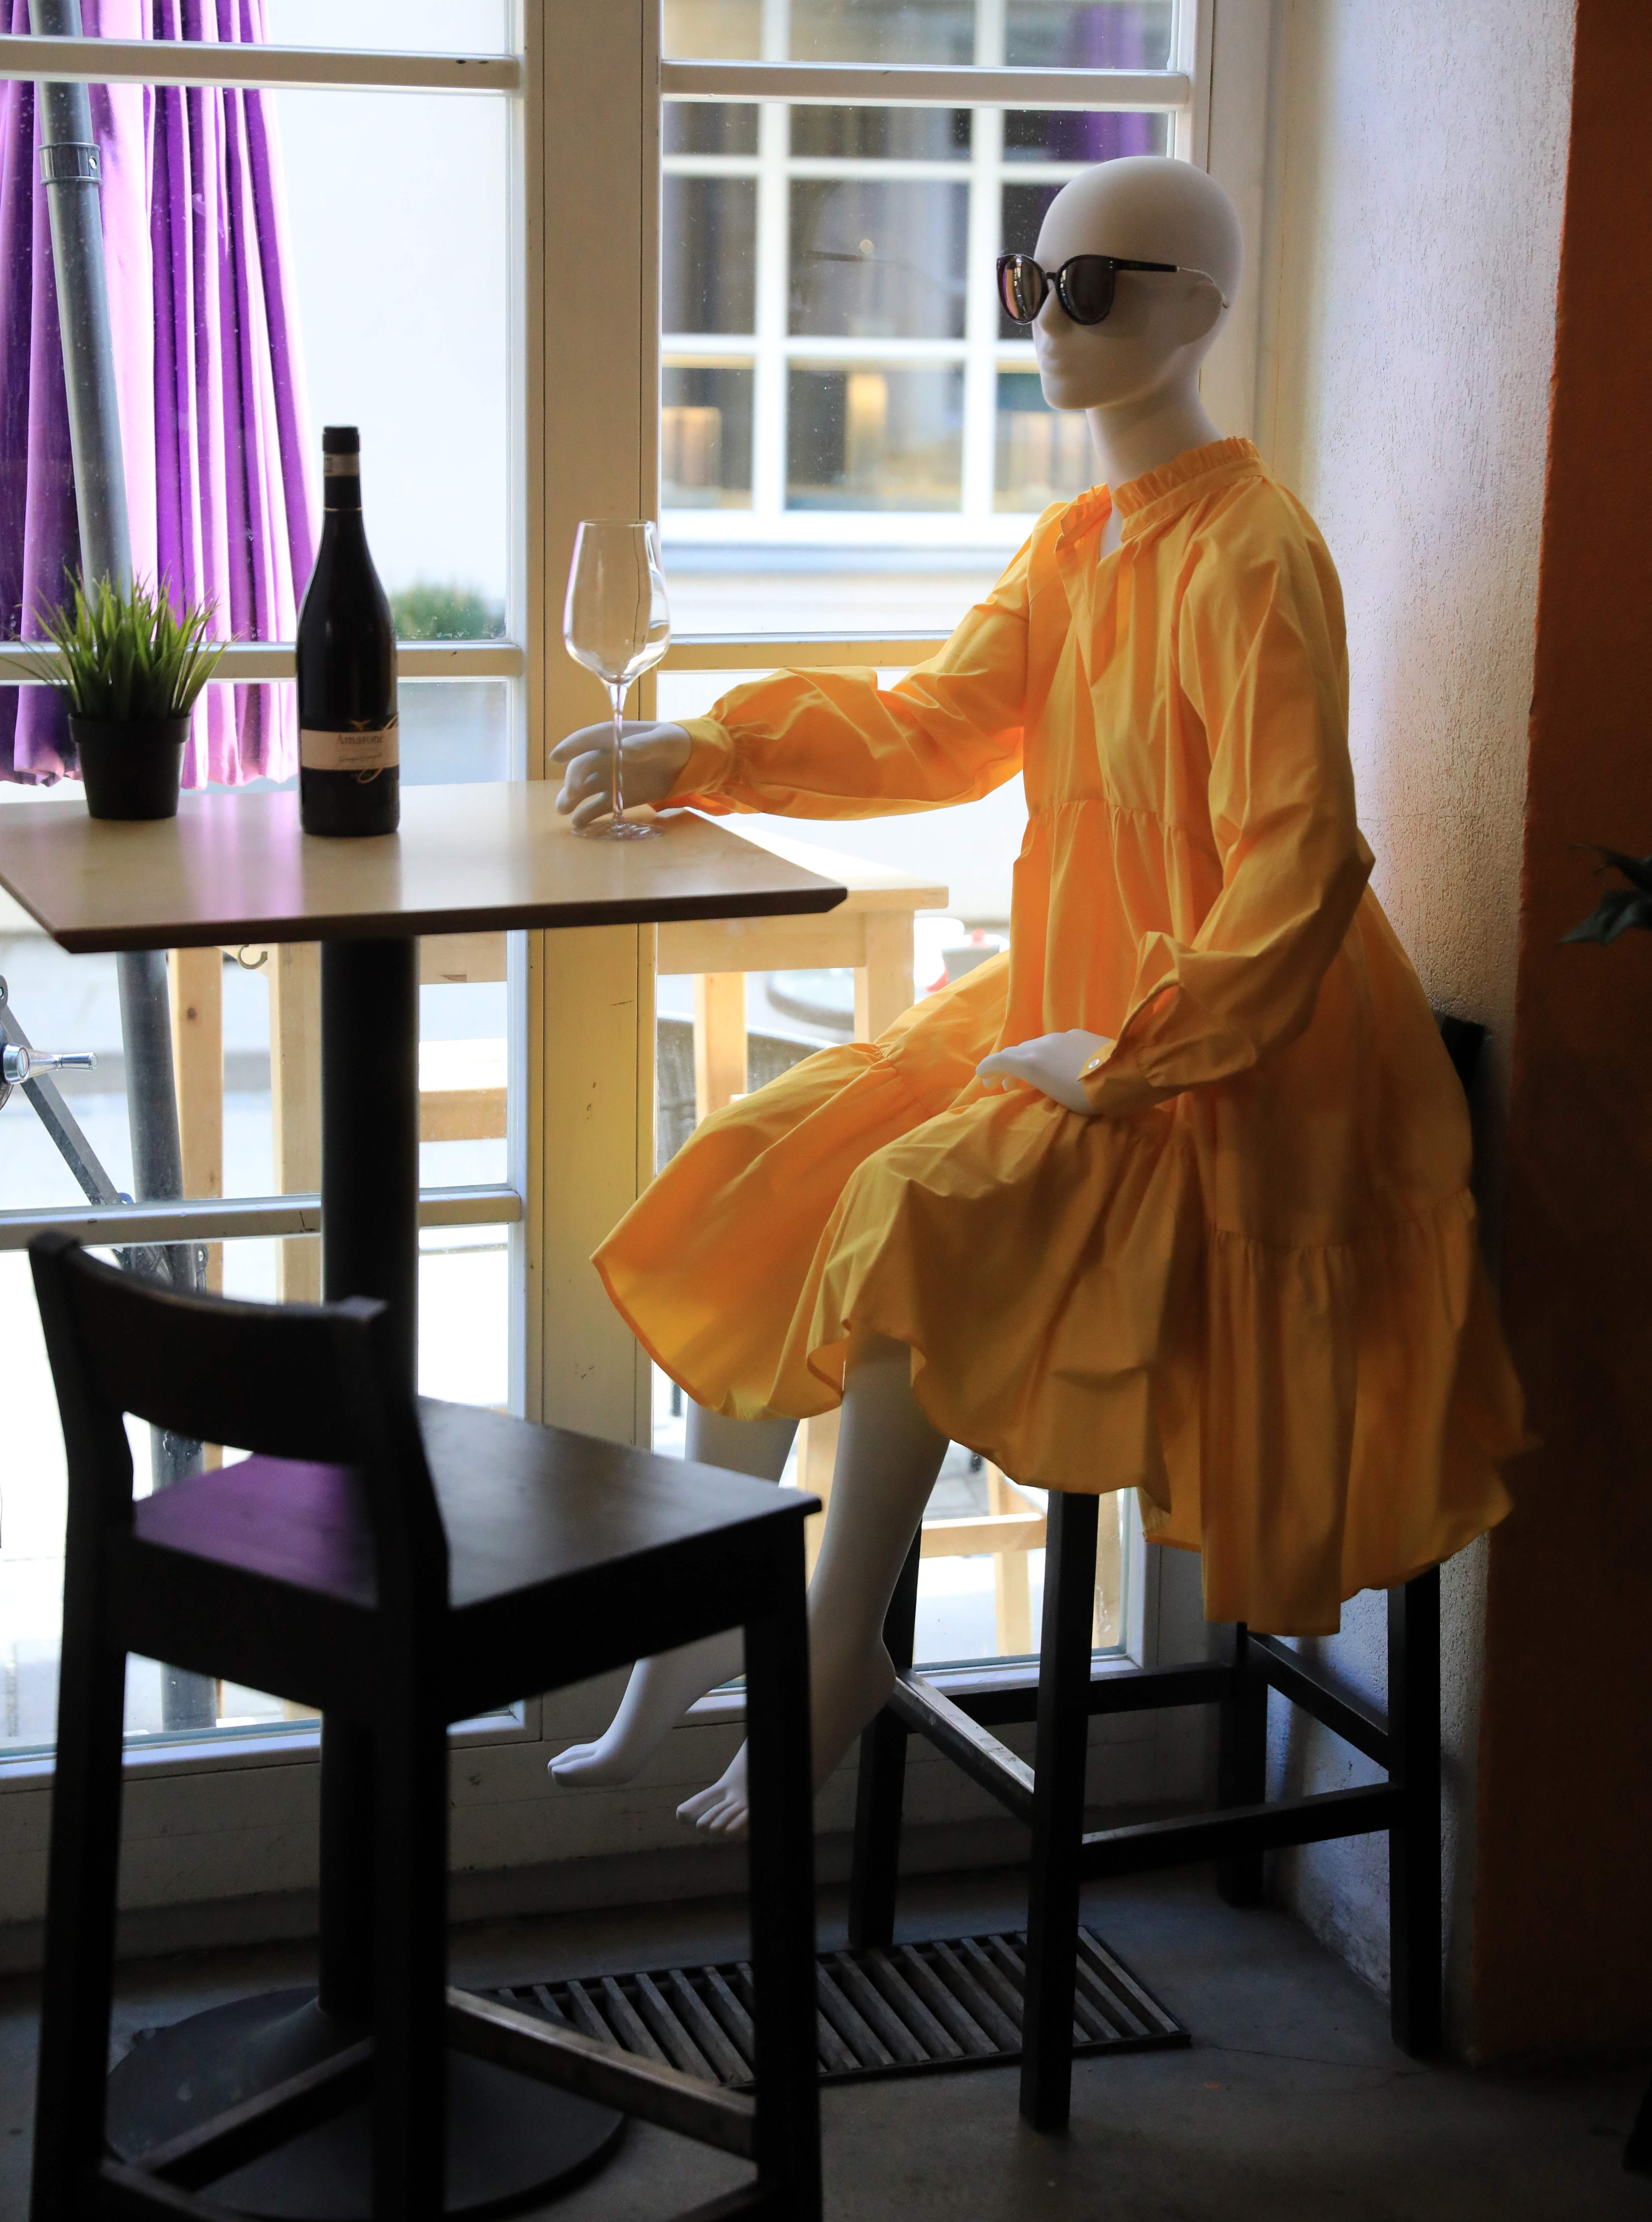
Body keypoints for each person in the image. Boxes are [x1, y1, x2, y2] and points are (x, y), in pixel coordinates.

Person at [546, 155, 1526, 1838]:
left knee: (922, 1209)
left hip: (1239, 1044)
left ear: (1197, 313)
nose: (1049, 323)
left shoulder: (1254, 556)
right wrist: (698, 748)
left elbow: (1300, 861)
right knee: (778, 1158)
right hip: (1079, 997)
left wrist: (1138, 1055)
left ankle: (832, 1644)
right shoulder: (1080, 542)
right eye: (1031, 283)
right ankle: (699, 1619)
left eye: (1093, 288)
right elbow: (938, 723)